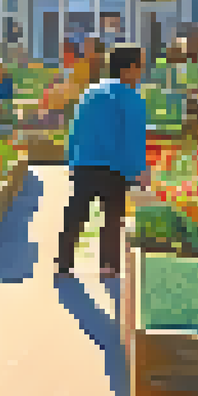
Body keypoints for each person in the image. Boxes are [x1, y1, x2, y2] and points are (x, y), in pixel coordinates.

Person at [55, 44, 149, 281]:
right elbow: (134, 137)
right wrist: (139, 170)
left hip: (85, 162)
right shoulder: (131, 96)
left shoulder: (90, 93)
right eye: (140, 66)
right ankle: (108, 265)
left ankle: (63, 262)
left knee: (76, 212)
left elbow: (75, 128)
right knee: (112, 217)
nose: (141, 72)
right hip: (114, 168)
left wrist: (72, 159)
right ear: (128, 69)